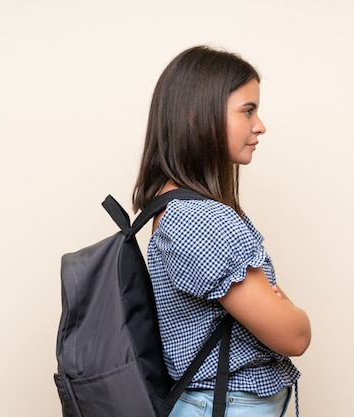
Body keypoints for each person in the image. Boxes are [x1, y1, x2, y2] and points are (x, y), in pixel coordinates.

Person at [132, 45, 311, 417]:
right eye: (247, 110)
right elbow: (294, 336)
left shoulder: (180, 207)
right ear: (199, 116)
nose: (260, 125)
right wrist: (293, 311)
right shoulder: (200, 219)